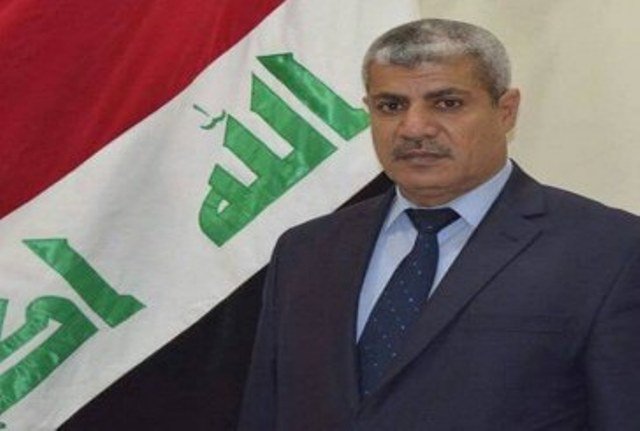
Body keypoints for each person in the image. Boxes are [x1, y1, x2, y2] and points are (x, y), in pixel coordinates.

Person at [238, 18, 640, 430]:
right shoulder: (306, 251)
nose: (414, 128)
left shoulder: (610, 251)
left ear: (506, 111)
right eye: (391, 106)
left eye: (447, 103)